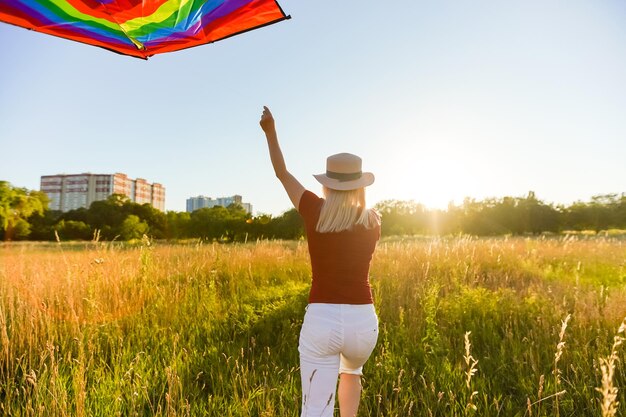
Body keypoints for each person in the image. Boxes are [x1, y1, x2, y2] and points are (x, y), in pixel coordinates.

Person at [259, 106, 381, 417]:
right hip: (363, 324)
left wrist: (271, 133)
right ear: (360, 186)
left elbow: (282, 174)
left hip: (322, 320)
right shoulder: (373, 222)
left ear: (327, 184)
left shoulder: (314, 210)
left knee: (316, 409)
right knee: (352, 373)